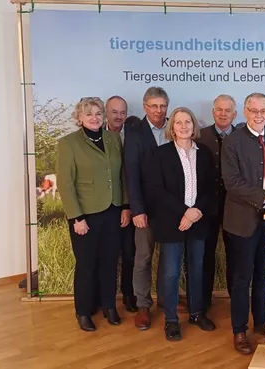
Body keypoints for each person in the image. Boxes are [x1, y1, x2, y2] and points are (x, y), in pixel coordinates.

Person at [221, 92, 265, 354]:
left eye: (263, 111)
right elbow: (232, 183)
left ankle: (261, 321)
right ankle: (239, 330)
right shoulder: (233, 141)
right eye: (254, 110)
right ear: (245, 112)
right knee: (241, 278)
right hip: (242, 221)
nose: (259, 115)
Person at [56, 97, 130, 331]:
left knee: (110, 262)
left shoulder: (113, 138)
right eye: (89, 114)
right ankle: (84, 311)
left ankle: (109, 306)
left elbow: (122, 176)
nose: (95, 118)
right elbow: (65, 184)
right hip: (85, 215)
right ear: (79, 118)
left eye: (98, 113)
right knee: (87, 264)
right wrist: (76, 217)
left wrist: (126, 206)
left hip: (112, 210)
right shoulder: (68, 143)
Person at [145, 107, 217, 341]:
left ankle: (196, 313)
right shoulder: (161, 154)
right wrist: (185, 212)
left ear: (194, 126)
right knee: (171, 273)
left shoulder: (204, 152)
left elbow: (210, 187)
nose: (184, 126)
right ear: (172, 127)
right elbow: (156, 190)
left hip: (198, 220)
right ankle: (172, 320)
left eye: (188, 122)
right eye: (178, 122)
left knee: (196, 269)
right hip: (171, 221)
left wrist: (195, 212)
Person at [124, 86, 170, 330]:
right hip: (146, 209)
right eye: (154, 106)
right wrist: (137, 210)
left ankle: (166, 298)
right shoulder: (135, 133)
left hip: (172, 209)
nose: (159, 110)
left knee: (169, 257)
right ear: (145, 107)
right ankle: (144, 304)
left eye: (162, 105)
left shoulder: (176, 127)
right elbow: (131, 175)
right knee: (143, 257)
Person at [196, 94, 238, 307]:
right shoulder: (200, 136)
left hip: (236, 206)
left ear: (235, 114)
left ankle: (236, 300)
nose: (223, 114)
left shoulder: (243, 136)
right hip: (206, 206)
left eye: (227, 110)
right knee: (205, 254)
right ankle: (202, 302)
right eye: (219, 110)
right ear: (213, 112)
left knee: (236, 255)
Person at [104, 95, 137, 312]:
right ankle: (105, 298)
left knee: (129, 252)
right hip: (104, 206)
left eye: (122, 112)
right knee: (107, 253)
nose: (118, 116)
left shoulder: (133, 135)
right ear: (106, 113)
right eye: (114, 112)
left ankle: (128, 293)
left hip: (129, 203)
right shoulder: (97, 135)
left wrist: (128, 206)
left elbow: (131, 175)